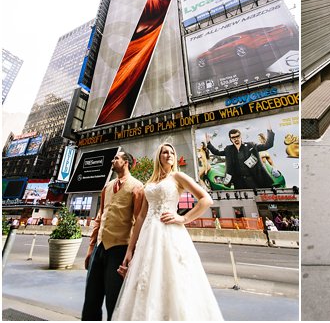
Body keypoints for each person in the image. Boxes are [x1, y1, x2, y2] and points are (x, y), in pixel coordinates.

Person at [111, 143, 223, 321]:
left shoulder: (177, 176)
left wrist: (183, 218)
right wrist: (130, 249)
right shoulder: (150, 182)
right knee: (146, 280)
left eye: (172, 152)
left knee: (173, 279)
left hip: (170, 233)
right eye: (165, 152)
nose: (169, 154)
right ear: (159, 156)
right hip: (148, 236)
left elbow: (206, 199)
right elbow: (140, 217)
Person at [81, 151, 144, 321]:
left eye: (116, 158)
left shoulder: (138, 187)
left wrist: (133, 254)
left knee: (114, 300)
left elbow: (139, 221)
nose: (112, 160)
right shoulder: (107, 187)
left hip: (120, 249)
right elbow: (99, 217)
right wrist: (91, 248)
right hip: (100, 248)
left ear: (126, 162)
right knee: (91, 299)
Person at [205, 127, 275, 189]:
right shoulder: (228, 149)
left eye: (237, 136)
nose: (236, 139)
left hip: (254, 180)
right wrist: (208, 143)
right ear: (230, 139)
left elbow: (268, 145)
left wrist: (270, 131)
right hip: (239, 183)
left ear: (241, 136)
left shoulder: (251, 145)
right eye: (233, 137)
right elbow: (216, 152)